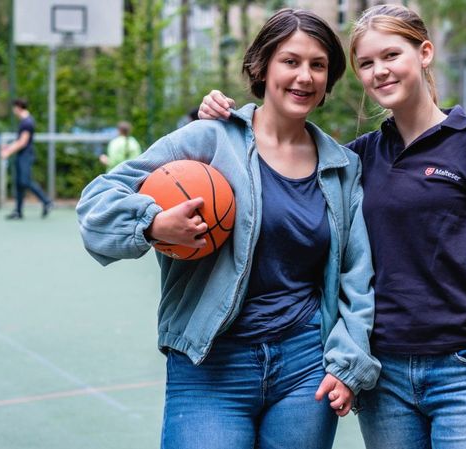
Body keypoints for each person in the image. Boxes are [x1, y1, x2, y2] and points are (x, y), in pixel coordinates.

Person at [198, 5, 466, 449]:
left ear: (425, 53)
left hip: (464, 367)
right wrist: (223, 117)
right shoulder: (354, 159)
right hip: (383, 374)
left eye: (391, 55)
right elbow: (282, 167)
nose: (380, 71)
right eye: (366, 63)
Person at [77, 9, 379, 449]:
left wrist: (348, 364)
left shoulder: (342, 166)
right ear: (262, 67)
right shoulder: (209, 139)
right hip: (212, 364)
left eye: (318, 65)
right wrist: (154, 224)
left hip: (305, 367)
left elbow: (356, 275)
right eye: (290, 61)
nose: (304, 76)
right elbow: (96, 202)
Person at [0, 99, 53, 220]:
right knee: (19, 183)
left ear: (18, 107)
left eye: (14, 108)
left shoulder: (27, 122)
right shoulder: (24, 122)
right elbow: (19, 141)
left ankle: (47, 201)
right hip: (21, 155)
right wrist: (8, 147)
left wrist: (8, 152)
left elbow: (22, 142)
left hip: (26, 156)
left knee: (25, 181)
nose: (13, 111)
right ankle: (18, 211)